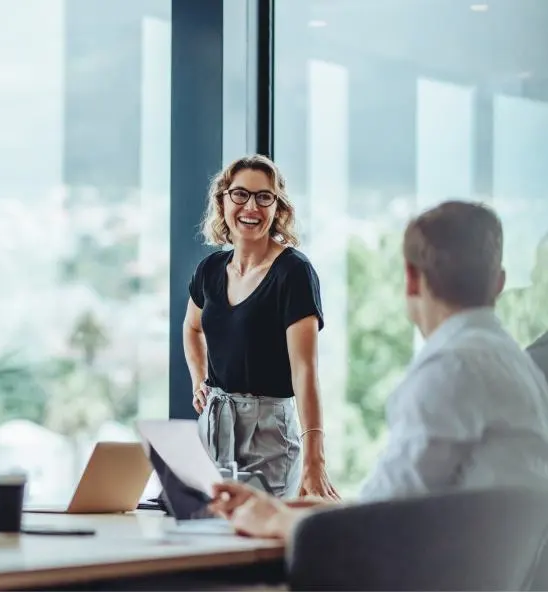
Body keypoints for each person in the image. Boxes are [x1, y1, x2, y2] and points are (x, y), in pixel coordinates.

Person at [209, 201, 548, 540]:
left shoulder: (449, 370)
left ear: (412, 280)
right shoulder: (521, 369)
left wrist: (273, 521)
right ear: (499, 283)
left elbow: (376, 526)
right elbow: (390, 503)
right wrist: (279, 508)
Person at [183, 154, 337, 499]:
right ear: (222, 201)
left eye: (263, 197)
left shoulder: (293, 273)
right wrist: (198, 381)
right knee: (208, 536)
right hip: (214, 425)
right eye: (240, 194)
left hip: (269, 432)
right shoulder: (209, 270)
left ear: (277, 208)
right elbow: (192, 328)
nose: (250, 206)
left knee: (262, 544)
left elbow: (305, 370)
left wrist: (316, 459)